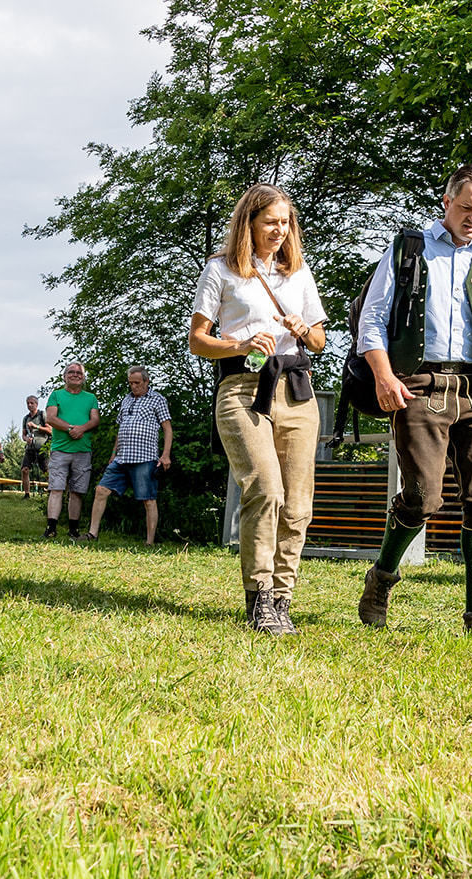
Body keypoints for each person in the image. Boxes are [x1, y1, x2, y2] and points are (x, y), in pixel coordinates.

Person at [354, 165, 472, 637]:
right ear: (447, 202)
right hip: (418, 384)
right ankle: (382, 577)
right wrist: (384, 376)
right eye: (467, 207)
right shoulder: (407, 249)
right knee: (423, 497)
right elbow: (371, 321)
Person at [190, 184, 327, 633]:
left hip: (296, 391)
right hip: (243, 389)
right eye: (270, 221)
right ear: (248, 222)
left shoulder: (298, 272)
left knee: (298, 504)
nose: (279, 230)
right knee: (266, 490)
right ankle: (260, 596)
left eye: (285, 222)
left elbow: (320, 342)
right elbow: (197, 341)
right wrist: (241, 343)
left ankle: (283, 599)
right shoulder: (221, 270)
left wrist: (303, 329)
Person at [86, 365, 173, 545]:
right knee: (101, 490)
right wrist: (113, 453)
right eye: (131, 383)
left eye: (137, 383)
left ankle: (149, 542)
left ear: (146, 381)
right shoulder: (126, 400)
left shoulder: (157, 399)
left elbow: (167, 429)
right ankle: (92, 534)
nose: (133, 386)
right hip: (122, 457)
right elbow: (121, 428)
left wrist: (165, 455)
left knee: (148, 500)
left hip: (145, 457)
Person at [44, 364, 100, 539]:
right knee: (56, 488)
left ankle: (73, 530)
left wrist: (81, 429)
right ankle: (51, 528)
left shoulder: (90, 398)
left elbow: (95, 419)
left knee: (77, 491)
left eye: (79, 373)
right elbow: (50, 418)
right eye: (71, 372)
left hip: (83, 450)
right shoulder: (56, 395)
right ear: (64, 376)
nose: (75, 375)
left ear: (83, 377)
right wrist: (70, 429)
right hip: (60, 450)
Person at [21, 396, 49, 498]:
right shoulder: (26, 418)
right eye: (28, 403)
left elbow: (50, 430)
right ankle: (27, 494)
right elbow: (23, 435)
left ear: (36, 404)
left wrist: (36, 426)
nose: (29, 405)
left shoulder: (42, 414)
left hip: (42, 447)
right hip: (30, 447)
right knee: (24, 469)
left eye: (32, 403)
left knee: (46, 471)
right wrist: (26, 439)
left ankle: (52, 491)